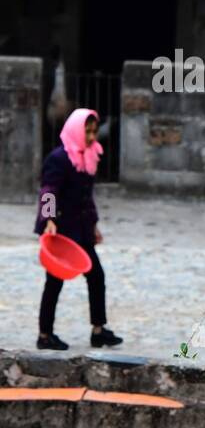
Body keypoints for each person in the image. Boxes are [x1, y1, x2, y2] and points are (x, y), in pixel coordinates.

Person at [34, 108, 122, 350]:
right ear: (76, 130)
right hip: (61, 230)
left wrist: (94, 225)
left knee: (96, 276)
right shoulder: (59, 158)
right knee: (55, 281)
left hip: (82, 229)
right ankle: (44, 334)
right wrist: (49, 220)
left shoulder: (89, 156)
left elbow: (86, 197)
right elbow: (48, 190)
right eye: (88, 132)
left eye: (95, 131)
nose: (93, 137)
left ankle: (98, 330)